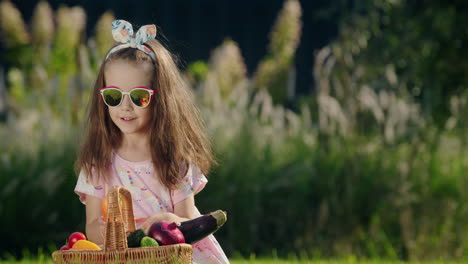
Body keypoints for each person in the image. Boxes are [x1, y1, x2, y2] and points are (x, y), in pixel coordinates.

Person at [74, 19, 229, 264]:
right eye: (113, 96)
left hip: (174, 250)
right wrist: (120, 236)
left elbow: (188, 222)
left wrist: (161, 221)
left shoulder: (174, 157)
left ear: (161, 99)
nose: (125, 107)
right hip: (122, 255)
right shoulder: (98, 161)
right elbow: (92, 224)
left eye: (139, 97)